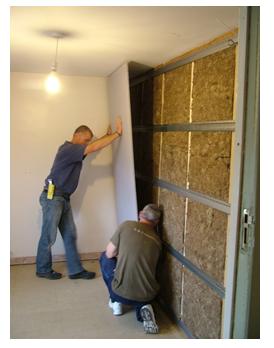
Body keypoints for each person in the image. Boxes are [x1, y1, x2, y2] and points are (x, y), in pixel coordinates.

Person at [36, 117, 122, 280]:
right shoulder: (69, 148)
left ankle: (75, 270)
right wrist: (117, 134)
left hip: (62, 198)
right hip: (53, 198)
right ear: (76, 135)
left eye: (88, 141)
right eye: (85, 140)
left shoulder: (76, 151)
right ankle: (42, 268)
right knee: (49, 235)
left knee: (70, 234)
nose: (86, 143)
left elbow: (92, 148)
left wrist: (106, 136)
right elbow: (93, 147)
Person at [99, 204, 162, 334]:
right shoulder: (157, 241)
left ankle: (115, 301)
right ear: (157, 222)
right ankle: (144, 308)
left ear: (140, 214)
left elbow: (110, 253)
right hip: (147, 295)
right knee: (142, 286)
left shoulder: (126, 225)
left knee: (104, 257)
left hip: (120, 293)